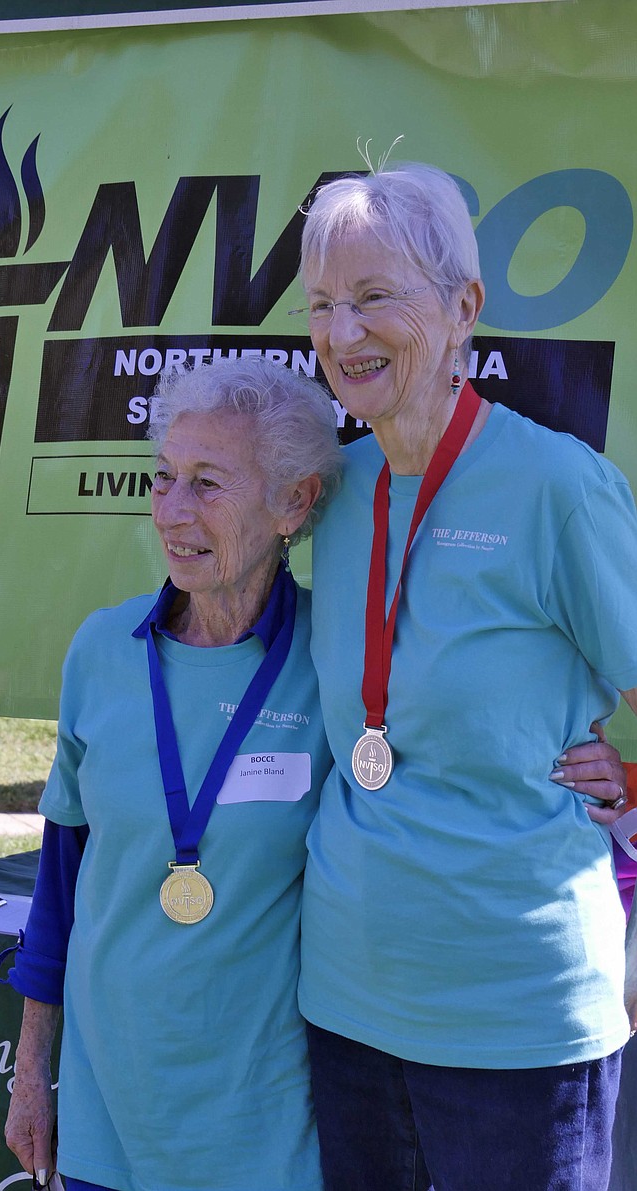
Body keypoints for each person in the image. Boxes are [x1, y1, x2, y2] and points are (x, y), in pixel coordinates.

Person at [292, 162, 637, 1191]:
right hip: (346, 998)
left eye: (375, 296)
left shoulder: (555, 486)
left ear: (463, 309)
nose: (343, 332)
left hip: (514, 1012)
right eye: (322, 305)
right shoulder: (335, 490)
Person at [0, 357, 343, 1191]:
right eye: (163, 477)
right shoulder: (101, 651)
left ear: (293, 502)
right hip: (106, 1118)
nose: (172, 510)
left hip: (268, 1129)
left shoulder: (333, 662)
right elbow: (60, 886)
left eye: (208, 483)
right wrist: (29, 1074)